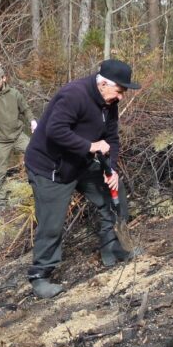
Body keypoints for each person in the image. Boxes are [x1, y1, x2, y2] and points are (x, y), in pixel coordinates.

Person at [23, 59, 139, 299]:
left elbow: (112, 139)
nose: (121, 97)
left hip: (81, 163)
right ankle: (40, 276)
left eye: (123, 92)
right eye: (120, 91)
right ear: (104, 83)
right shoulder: (74, 95)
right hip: (51, 168)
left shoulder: (109, 102)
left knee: (114, 195)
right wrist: (90, 145)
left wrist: (112, 170)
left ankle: (113, 249)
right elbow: (55, 130)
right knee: (51, 223)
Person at [0, 66, 37, 205]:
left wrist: (32, 121)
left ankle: (37, 188)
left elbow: (26, 109)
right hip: (1, 141)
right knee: (0, 172)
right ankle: (1, 202)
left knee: (35, 154)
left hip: (17, 135)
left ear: (4, 78)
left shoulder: (15, 94)